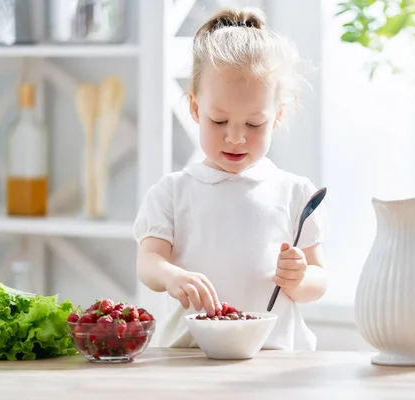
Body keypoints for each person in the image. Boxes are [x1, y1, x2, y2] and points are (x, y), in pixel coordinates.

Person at [133, 7, 328, 350]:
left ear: (278, 116)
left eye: (254, 124)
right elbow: (148, 263)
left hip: (275, 358)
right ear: (195, 109)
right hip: (189, 356)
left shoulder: (296, 193)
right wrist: (170, 275)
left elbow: (319, 280)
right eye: (219, 121)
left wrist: (300, 277)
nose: (236, 138)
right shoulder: (172, 193)